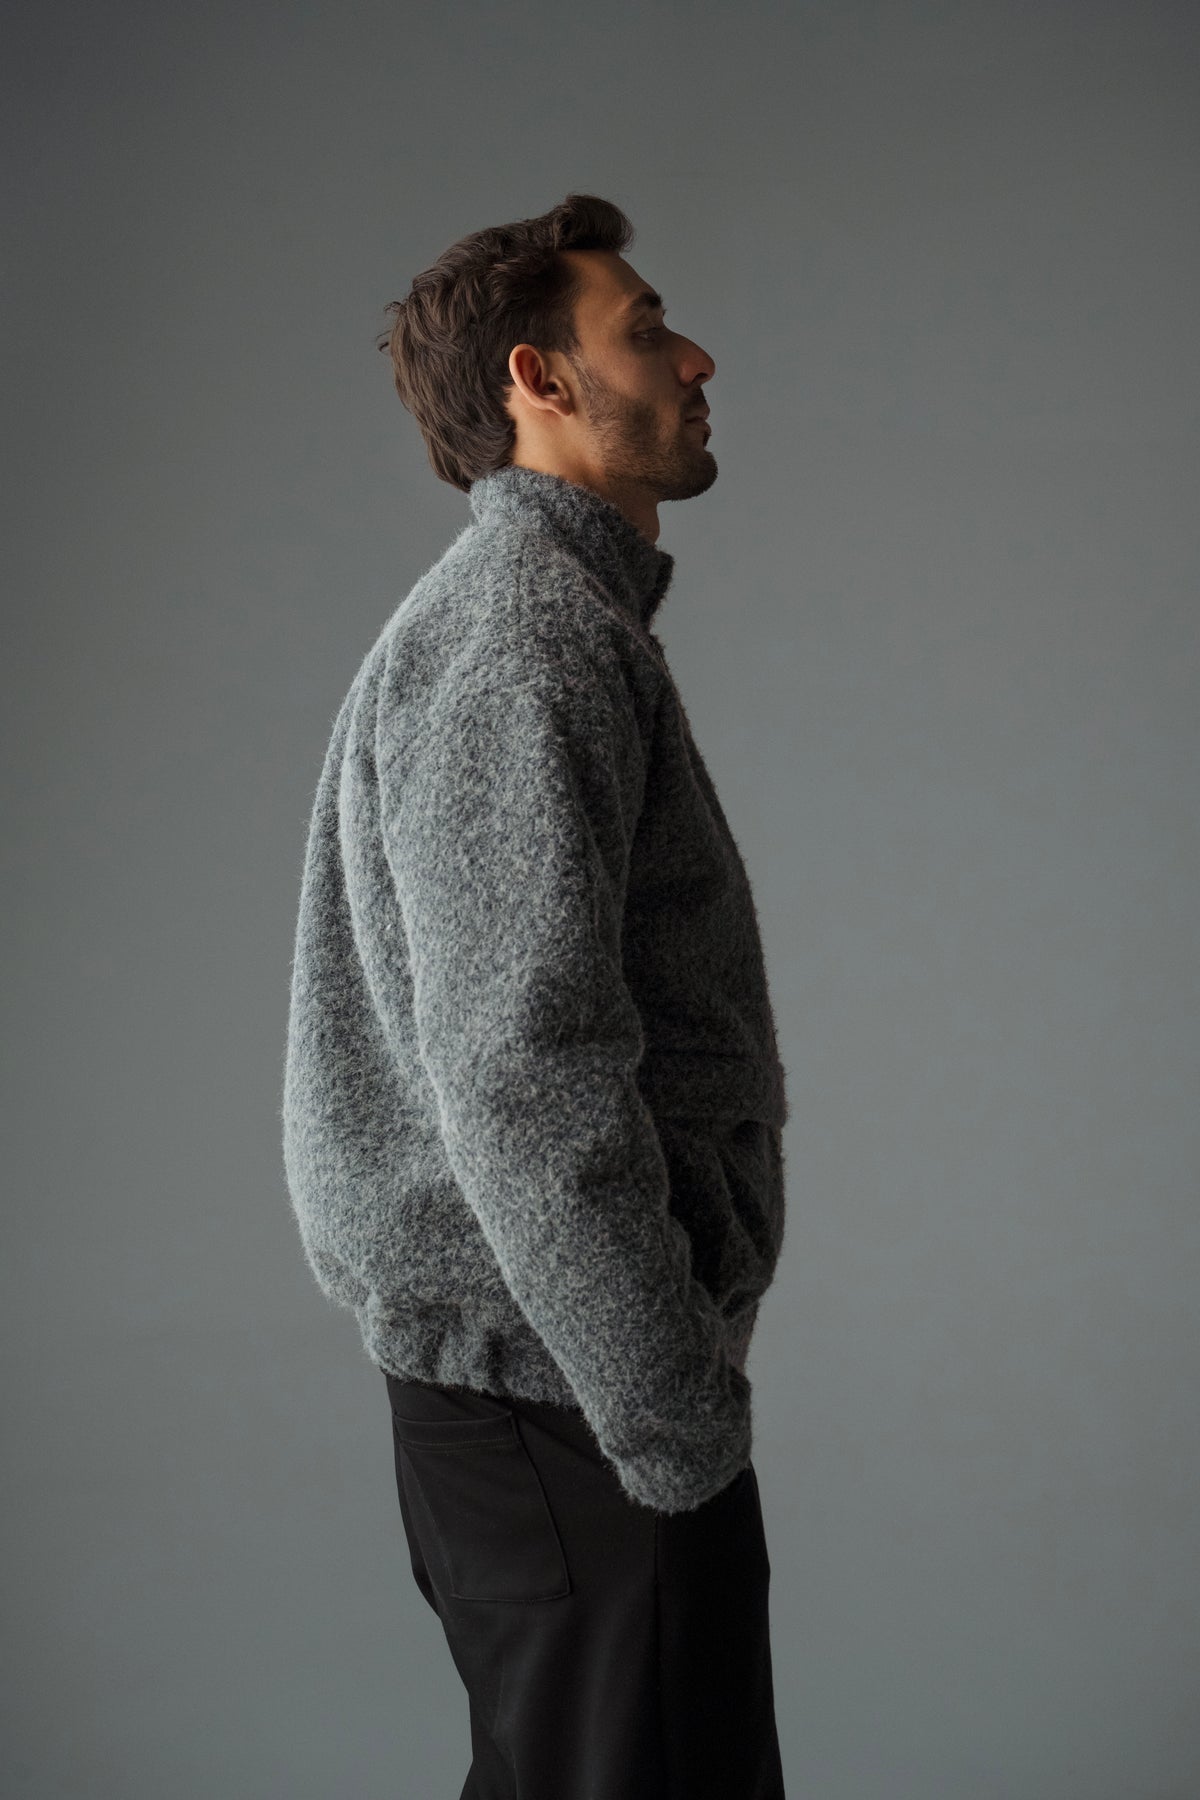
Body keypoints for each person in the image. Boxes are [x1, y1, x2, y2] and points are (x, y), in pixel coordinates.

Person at [281, 192, 790, 1798]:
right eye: (645, 329)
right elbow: (521, 1068)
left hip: (551, 1378)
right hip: (572, 1394)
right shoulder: (523, 635)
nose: (695, 357)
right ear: (539, 380)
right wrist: (670, 1416)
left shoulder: (547, 618)